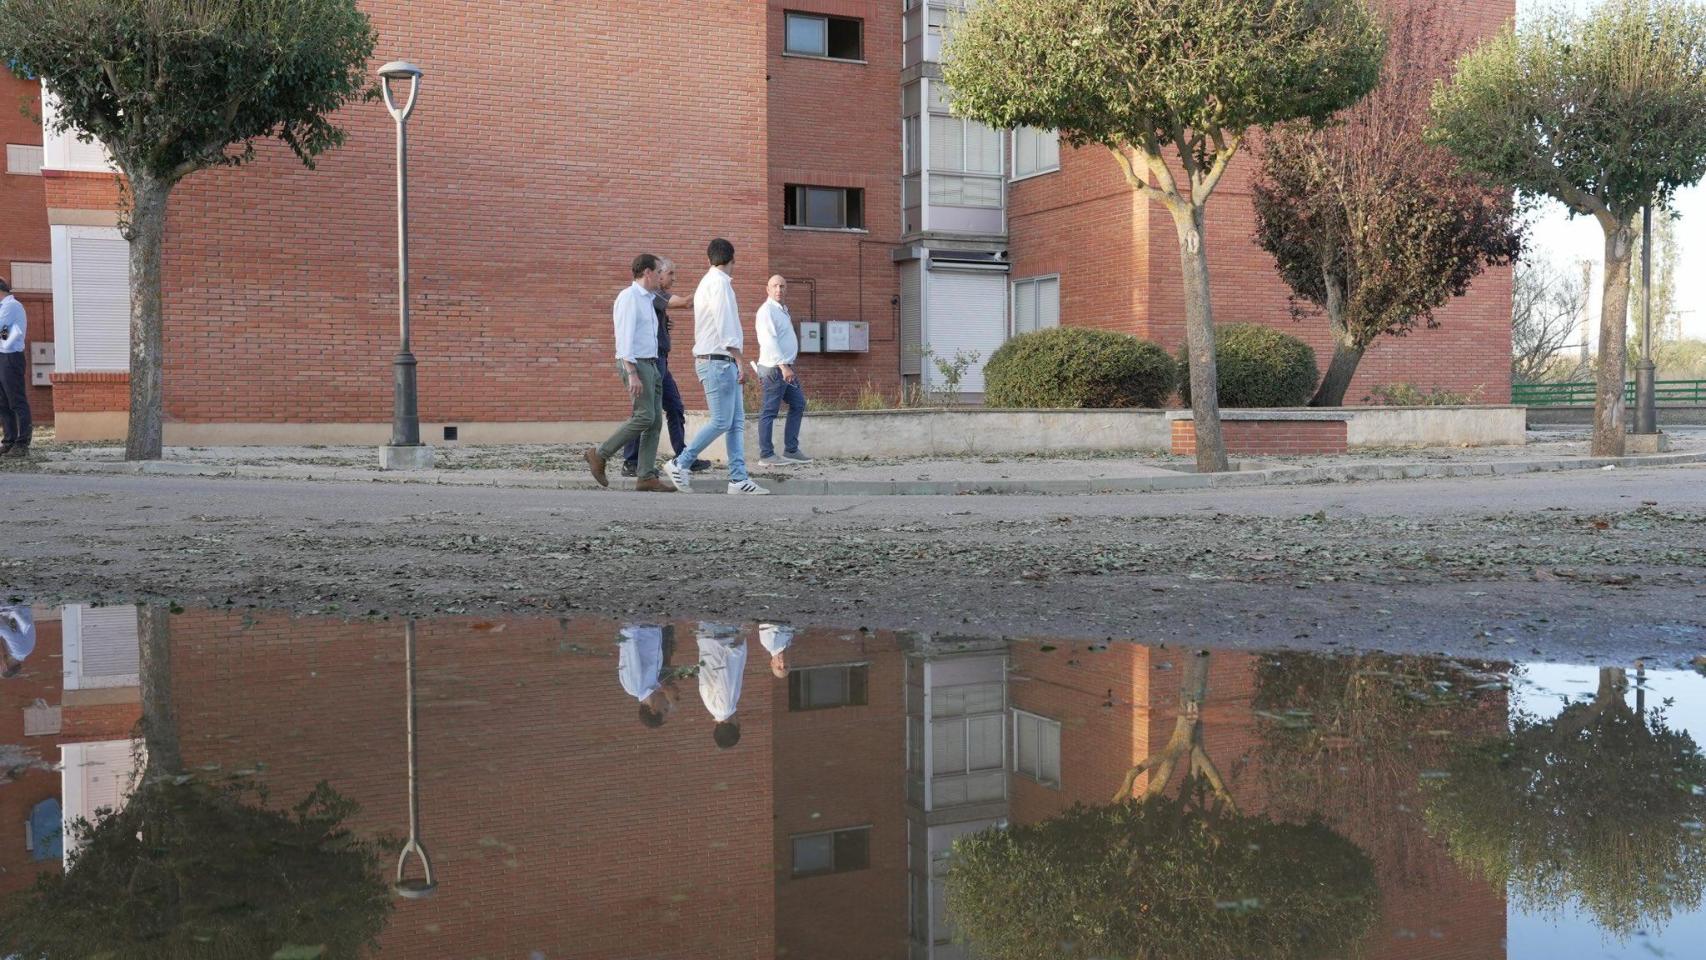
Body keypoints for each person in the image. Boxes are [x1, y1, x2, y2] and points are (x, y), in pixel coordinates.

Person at [662, 239, 769, 495]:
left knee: (735, 422)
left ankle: (738, 479)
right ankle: (680, 462)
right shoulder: (719, 285)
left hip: (718, 361)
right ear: (733, 260)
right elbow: (726, 325)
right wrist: (739, 359)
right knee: (722, 421)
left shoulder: (707, 283)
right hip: (718, 361)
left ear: (708, 259)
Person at [585, 254, 675, 492]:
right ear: (647, 272)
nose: (660, 275)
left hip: (652, 363)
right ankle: (600, 454)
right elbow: (623, 336)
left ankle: (646, 476)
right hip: (636, 364)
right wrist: (631, 372)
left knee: (655, 421)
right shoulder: (629, 297)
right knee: (644, 416)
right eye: (657, 271)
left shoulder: (648, 299)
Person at [620, 258, 710, 478]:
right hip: (652, 361)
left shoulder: (652, 298)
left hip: (661, 360)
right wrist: (710, 286)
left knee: (673, 407)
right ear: (657, 275)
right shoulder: (655, 294)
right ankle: (630, 461)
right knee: (645, 413)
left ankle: (682, 456)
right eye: (670, 274)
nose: (673, 278)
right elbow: (685, 303)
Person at [754, 276, 812, 467]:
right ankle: (766, 455)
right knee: (769, 411)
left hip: (784, 367)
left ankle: (791, 450)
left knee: (798, 403)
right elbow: (768, 340)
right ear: (767, 289)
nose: (779, 289)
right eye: (775, 286)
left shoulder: (781, 310)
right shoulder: (767, 311)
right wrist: (783, 366)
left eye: (782, 286)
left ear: (786, 289)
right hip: (774, 369)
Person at [695, 622, 748, 748]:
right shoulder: (710, 706)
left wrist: (742, 633)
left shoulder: (725, 708)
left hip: (721, 635)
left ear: (736, 724)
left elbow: (728, 669)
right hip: (709, 637)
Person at [618, 623, 678, 727]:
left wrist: (634, 624)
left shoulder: (634, 687)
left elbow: (630, 653)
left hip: (641, 625)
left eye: (665, 709)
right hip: (654, 627)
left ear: (654, 710)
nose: (667, 704)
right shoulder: (655, 684)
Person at [0, 278, 31, 459]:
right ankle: (9, 440)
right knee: (3, 402)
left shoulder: (12, 306)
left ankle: (22, 443)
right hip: (2, 355)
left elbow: (2, 329)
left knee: (16, 400)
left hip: (11, 357)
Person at [1, 604, 34, 679]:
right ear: (5, 666)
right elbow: (4, 629)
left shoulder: (20, 652)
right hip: (14, 607)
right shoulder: (19, 651)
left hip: (12, 610)